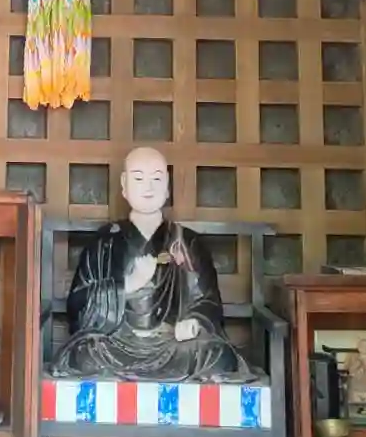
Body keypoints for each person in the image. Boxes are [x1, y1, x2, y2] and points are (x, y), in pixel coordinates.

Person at [51, 147, 262, 381]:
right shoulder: (104, 242)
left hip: (173, 344)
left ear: (167, 187)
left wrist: (194, 322)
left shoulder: (186, 242)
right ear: (124, 185)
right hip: (117, 343)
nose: (148, 187)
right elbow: (78, 303)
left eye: (157, 179)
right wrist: (127, 285)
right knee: (84, 354)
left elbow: (207, 300)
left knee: (218, 356)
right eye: (138, 179)